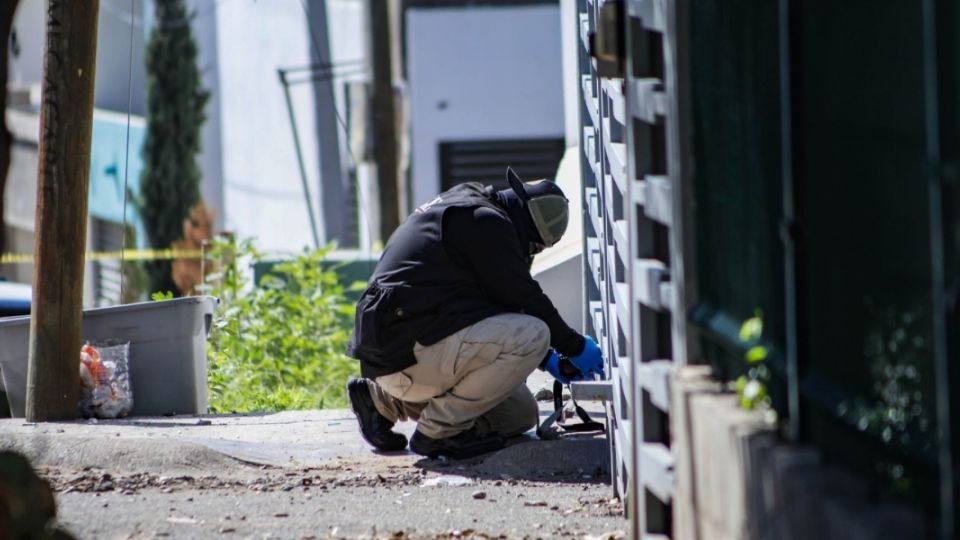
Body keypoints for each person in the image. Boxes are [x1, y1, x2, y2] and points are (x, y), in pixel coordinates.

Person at [345, 168, 604, 459]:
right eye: (535, 246)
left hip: (404, 344)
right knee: (535, 335)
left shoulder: (470, 202)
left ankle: (381, 402)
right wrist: (575, 346)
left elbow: (494, 302)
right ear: (528, 226)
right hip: (406, 350)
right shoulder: (486, 223)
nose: (530, 254)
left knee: (518, 415)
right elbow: (526, 298)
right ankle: (439, 433)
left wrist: (548, 359)